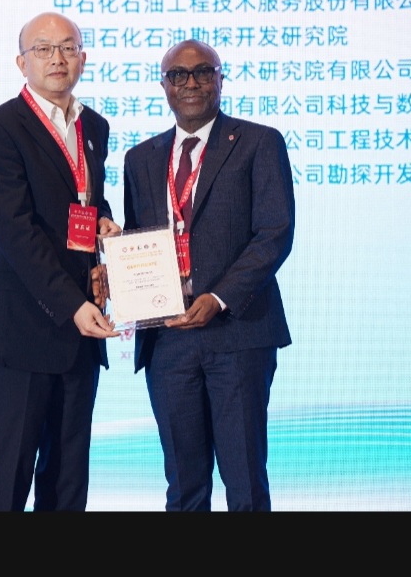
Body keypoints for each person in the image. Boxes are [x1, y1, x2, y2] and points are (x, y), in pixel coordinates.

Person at [121, 39, 295, 511]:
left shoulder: (259, 142)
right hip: (167, 340)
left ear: (220, 79)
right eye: (178, 75)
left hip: (236, 333)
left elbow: (274, 233)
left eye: (203, 72)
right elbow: (138, 239)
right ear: (164, 85)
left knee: (244, 481)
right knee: (184, 485)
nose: (191, 83)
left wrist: (218, 297)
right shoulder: (141, 158)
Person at [0, 12, 120, 511]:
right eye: (43, 49)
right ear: (22, 62)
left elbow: (81, 201)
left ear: (83, 58)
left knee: (66, 488)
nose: (58, 58)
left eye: (68, 48)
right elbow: (15, 233)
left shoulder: (93, 126)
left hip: (79, 341)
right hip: (19, 338)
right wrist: (73, 306)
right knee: (6, 488)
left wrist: (104, 224)